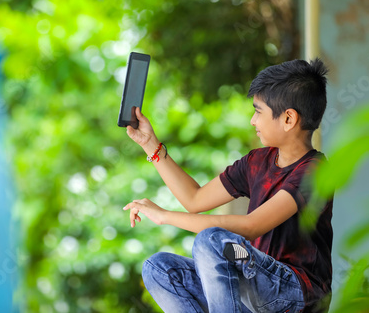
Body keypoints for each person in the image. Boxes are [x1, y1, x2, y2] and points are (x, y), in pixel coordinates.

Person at [123, 58, 333, 313]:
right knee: (160, 269)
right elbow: (194, 199)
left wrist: (165, 216)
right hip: (252, 281)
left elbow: (251, 226)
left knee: (211, 241)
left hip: (295, 294)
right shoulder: (257, 161)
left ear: (288, 119)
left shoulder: (314, 171)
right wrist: (149, 144)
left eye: (258, 111)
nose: (252, 121)